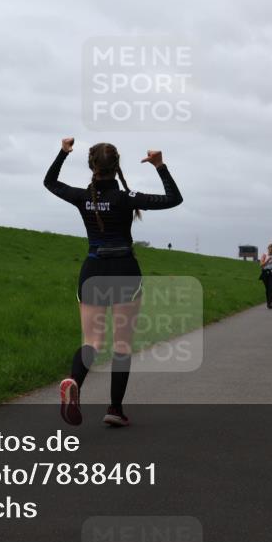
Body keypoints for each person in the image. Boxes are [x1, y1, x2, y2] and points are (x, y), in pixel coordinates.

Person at [44, 137, 183, 427]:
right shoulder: (127, 198)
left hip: (93, 269)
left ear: (92, 167)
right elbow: (173, 199)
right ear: (116, 166)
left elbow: (50, 182)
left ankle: (74, 382)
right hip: (124, 269)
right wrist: (160, 165)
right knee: (122, 345)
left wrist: (63, 152)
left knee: (92, 342)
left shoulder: (81, 196)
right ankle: (115, 409)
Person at [259, 243, 272, 309]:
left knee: (271, 288)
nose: (270, 251)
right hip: (265, 273)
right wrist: (267, 261)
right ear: (268, 249)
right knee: (267, 289)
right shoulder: (264, 255)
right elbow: (261, 265)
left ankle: (270, 303)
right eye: (269, 249)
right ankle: (268, 302)